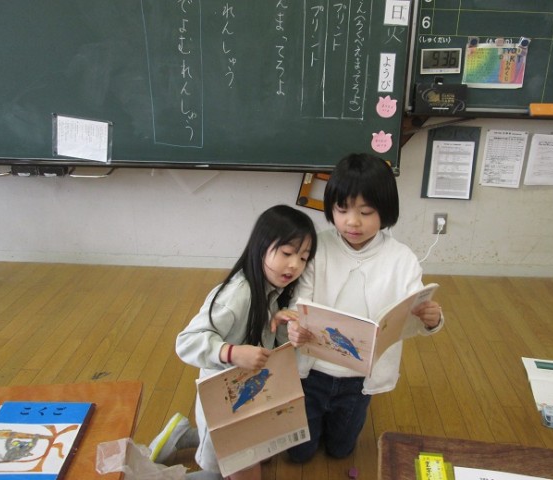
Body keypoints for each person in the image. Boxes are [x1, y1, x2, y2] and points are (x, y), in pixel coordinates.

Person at [283, 153, 445, 463]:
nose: (352, 221)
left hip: (360, 380)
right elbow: (298, 301)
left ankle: (338, 428)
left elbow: (414, 311)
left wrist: (431, 319)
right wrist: (295, 324)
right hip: (313, 372)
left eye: (366, 212)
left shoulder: (402, 259)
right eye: (341, 209)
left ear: (385, 211)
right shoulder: (318, 246)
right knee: (299, 453)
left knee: (341, 450)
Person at [149, 204, 317, 480]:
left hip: (247, 392)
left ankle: (184, 435)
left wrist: (280, 323)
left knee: (259, 454)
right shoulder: (237, 295)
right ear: (260, 247)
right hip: (224, 399)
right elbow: (187, 342)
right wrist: (231, 352)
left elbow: (268, 342)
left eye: (303, 258)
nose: (294, 265)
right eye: (287, 253)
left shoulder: (274, 289)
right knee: (229, 469)